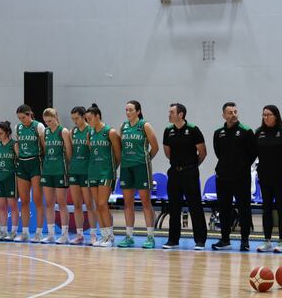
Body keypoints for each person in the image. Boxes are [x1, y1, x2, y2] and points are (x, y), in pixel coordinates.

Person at [211, 102, 257, 252]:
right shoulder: (218, 133)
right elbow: (218, 152)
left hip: (241, 178)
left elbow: (253, 153)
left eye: (235, 111)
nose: (233, 115)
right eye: (230, 112)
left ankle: (245, 240)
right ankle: (225, 239)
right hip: (223, 177)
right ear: (223, 115)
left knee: (244, 209)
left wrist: (241, 166)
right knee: (224, 209)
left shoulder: (246, 131)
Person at [162, 103, 207, 250]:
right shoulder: (168, 130)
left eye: (171, 112)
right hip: (174, 172)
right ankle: (173, 240)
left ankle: (200, 240)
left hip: (190, 172)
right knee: (174, 207)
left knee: (195, 206)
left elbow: (202, 152)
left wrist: (192, 166)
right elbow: (167, 152)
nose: (169, 115)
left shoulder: (193, 130)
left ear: (180, 114)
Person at [117, 100, 160, 249]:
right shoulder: (124, 126)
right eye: (126, 110)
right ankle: (129, 236)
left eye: (131, 110)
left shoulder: (145, 125)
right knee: (127, 203)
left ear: (138, 111)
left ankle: (150, 237)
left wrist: (145, 159)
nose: (128, 112)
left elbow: (155, 147)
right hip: (126, 167)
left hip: (141, 166)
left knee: (145, 203)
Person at [255, 105, 282, 253]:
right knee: (266, 209)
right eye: (263, 115)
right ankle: (267, 241)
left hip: (281, 177)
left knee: (280, 208)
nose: (265, 117)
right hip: (265, 176)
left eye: (268, 115)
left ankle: (281, 241)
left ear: (275, 116)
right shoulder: (259, 132)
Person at [86, 103, 121, 247]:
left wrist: (112, 169)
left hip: (107, 171)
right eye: (87, 119)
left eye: (90, 118)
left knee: (102, 203)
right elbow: (91, 150)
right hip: (93, 171)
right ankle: (104, 236)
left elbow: (118, 154)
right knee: (97, 205)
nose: (88, 121)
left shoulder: (110, 132)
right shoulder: (91, 133)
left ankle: (110, 237)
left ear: (97, 116)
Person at [14, 105, 46, 242]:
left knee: (38, 200)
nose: (22, 120)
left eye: (24, 117)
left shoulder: (38, 126)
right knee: (24, 200)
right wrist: (18, 154)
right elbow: (17, 144)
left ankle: (39, 233)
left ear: (30, 114)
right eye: (19, 118)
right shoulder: (18, 128)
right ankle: (25, 232)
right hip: (22, 163)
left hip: (36, 163)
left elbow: (44, 146)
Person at [40, 108, 72, 244]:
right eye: (46, 121)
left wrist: (67, 169)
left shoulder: (63, 131)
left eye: (50, 120)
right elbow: (45, 150)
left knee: (62, 202)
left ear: (56, 117)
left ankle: (65, 234)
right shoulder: (45, 132)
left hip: (60, 170)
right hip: (47, 171)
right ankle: (51, 234)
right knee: (49, 203)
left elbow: (69, 152)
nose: (48, 124)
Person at [68, 106, 99, 245]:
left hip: (87, 171)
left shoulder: (90, 131)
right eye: (73, 119)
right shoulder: (72, 132)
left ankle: (93, 234)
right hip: (74, 171)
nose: (75, 121)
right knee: (77, 204)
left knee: (89, 204)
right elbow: (70, 152)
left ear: (84, 117)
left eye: (77, 118)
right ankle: (80, 234)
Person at [0, 121, 19, 241]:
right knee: (1, 206)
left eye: (1, 133)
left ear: (7, 133)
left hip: (11, 177)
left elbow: (19, 161)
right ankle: (3, 231)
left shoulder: (14, 145)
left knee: (12, 206)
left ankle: (13, 232)